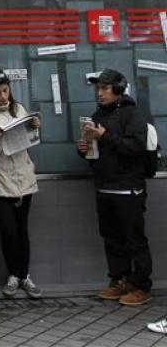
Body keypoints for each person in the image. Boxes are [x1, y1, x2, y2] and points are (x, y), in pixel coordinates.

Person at [77, 68, 152, 307]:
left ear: (118, 90)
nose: (99, 93)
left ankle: (141, 285)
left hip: (128, 189)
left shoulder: (132, 115)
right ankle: (120, 280)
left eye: (104, 88)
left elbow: (136, 147)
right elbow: (98, 153)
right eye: (97, 88)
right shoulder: (97, 115)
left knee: (134, 240)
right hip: (105, 188)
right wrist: (85, 150)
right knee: (112, 239)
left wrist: (105, 136)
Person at [0, 70, 42, 300]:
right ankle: (13, 275)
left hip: (24, 176)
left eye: (6, 90)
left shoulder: (19, 109)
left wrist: (34, 126)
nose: (4, 96)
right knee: (8, 231)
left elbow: (32, 139)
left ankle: (25, 275)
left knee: (22, 230)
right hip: (0, 178)